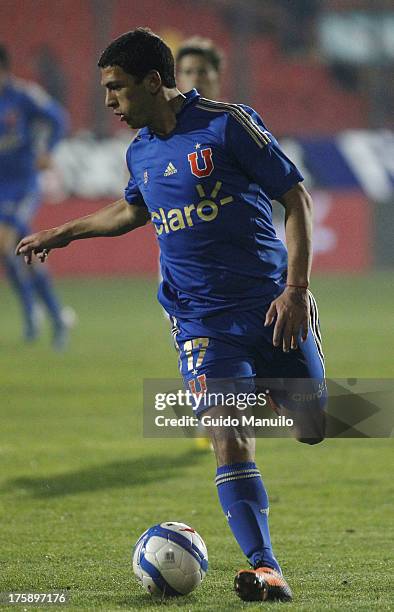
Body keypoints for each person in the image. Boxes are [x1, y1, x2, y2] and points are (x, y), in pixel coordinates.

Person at [16, 29, 326, 602]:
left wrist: (297, 288)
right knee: (227, 433)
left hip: (269, 305)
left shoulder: (228, 124)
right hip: (200, 320)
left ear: (153, 83)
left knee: (313, 423)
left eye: (117, 88)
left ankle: (250, 394)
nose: (109, 100)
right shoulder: (140, 151)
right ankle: (265, 567)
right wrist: (63, 232)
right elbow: (130, 210)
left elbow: (297, 199)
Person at [0, 44, 72, 349]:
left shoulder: (24, 95)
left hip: (22, 182)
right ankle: (55, 316)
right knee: (21, 251)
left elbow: (59, 119)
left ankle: (34, 313)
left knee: (5, 241)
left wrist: (47, 151)